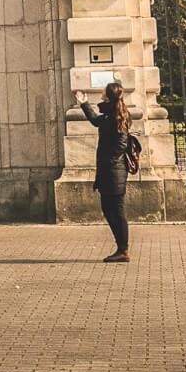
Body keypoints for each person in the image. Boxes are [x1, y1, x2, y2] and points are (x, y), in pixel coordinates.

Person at [76, 82, 133, 262]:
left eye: (103, 92)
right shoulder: (110, 115)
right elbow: (95, 120)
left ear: (108, 96)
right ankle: (121, 247)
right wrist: (84, 103)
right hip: (110, 171)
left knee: (116, 210)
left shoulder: (117, 117)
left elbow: (121, 145)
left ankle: (123, 249)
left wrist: (109, 161)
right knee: (109, 209)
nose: (100, 94)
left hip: (114, 171)